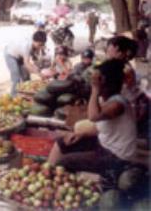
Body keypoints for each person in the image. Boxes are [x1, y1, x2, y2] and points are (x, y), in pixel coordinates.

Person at [48, 59, 137, 188]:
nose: (93, 82)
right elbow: (103, 127)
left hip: (117, 157)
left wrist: (95, 90)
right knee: (62, 142)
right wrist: (82, 134)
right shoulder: (108, 99)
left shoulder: (118, 104)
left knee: (64, 162)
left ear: (104, 82)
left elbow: (93, 117)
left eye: (97, 80)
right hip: (104, 145)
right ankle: (46, 176)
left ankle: (65, 193)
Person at [4, 30, 47, 97]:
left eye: (42, 45)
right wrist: (39, 74)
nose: (41, 47)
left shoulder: (35, 44)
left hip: (20, 54)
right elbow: (27, 64)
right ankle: (13, 96)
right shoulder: (26, 46)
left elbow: (32, 62)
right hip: (10, 54)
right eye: (40, 45)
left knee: (26, 76)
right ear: (34, 41)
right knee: (16, 77)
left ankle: (28, 95)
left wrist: (38, 70)